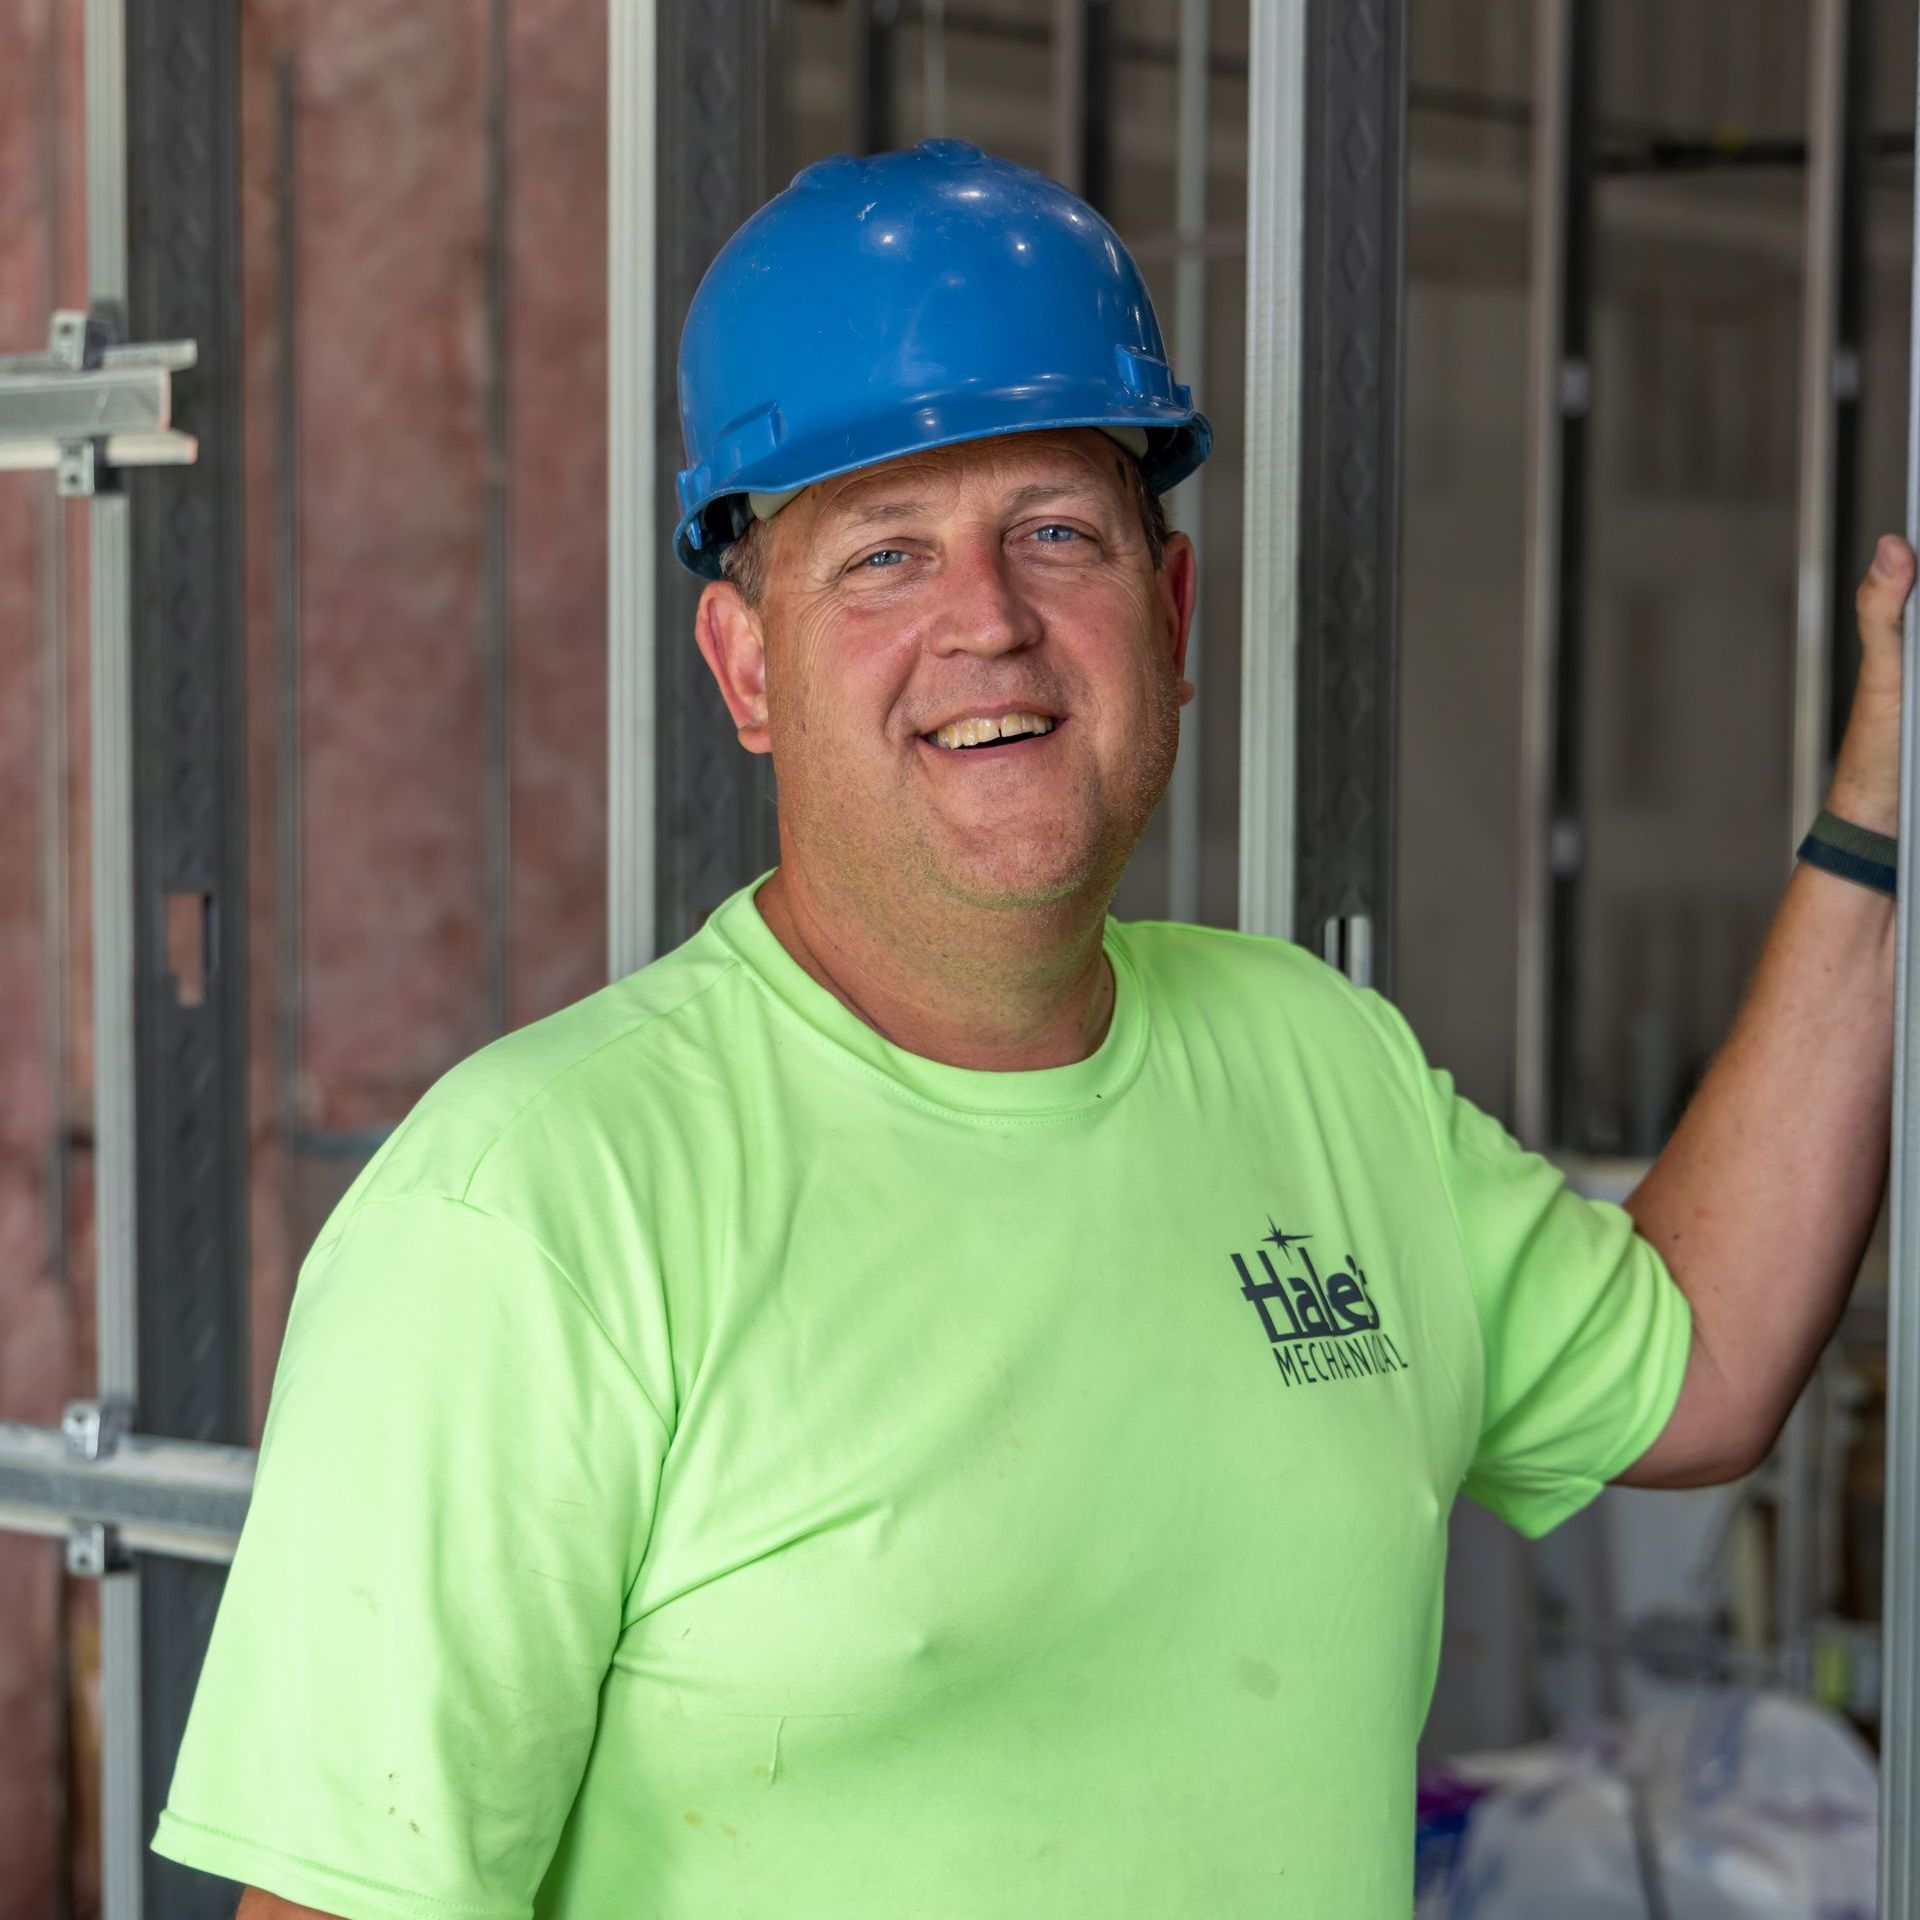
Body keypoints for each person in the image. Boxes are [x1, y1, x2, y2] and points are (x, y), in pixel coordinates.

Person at [152, 141, 1905, 1920]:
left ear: (1171, 611)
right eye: (883, 556)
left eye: (1054, 533)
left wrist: (1880, 824)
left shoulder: (1323, 1072)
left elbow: (1701, 1361)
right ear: (747, 670)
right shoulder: (532, 1213)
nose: (984, 623)